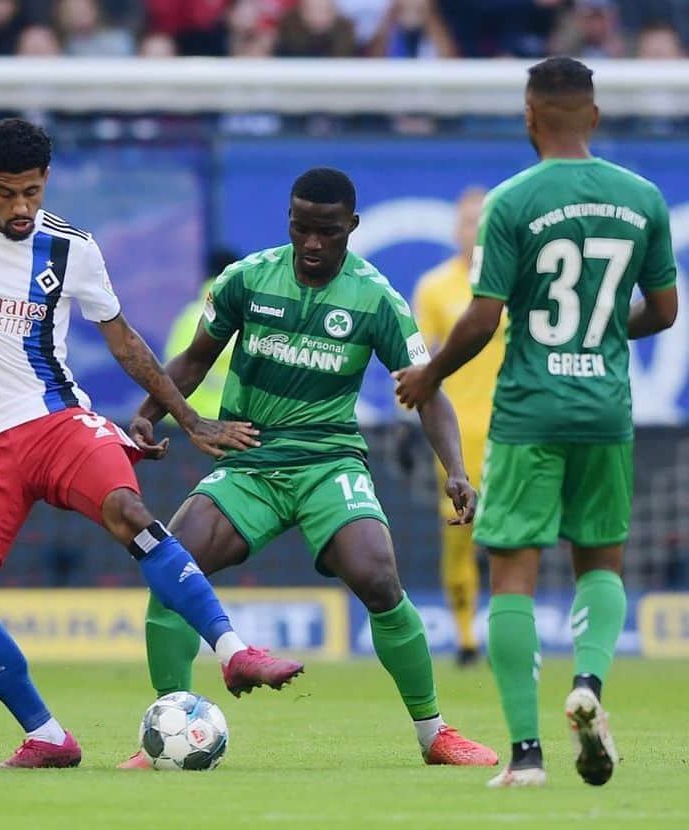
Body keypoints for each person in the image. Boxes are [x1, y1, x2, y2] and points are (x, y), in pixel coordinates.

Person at [0, 118, 303, 770]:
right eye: (8, 193)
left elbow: (124, 340)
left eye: (33, 192)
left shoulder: (72, 249)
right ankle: (47, 736)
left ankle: (234, 650)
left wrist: (185, 416)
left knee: (131, 513)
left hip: (58, 421)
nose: (21, 207)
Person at [118, 167, 499, 770]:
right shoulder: (247, 279)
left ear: (351, 227)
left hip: (328, 462)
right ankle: (172, 720)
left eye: (327, 231)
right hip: (253, 460)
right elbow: (194, 359)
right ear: (289, 223)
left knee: (378, 578)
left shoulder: (376, 298)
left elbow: (427, 391)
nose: (313, 244)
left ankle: (435, 735)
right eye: (301, 229)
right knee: (174, 569)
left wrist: (453, 468)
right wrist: (148, 415)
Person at [394, 57, 679, 788]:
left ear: (529, 117)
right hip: (607, 410)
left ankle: (525, 756)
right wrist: (605, 334)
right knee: (601, 561)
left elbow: (484, 317)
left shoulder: (512, 201)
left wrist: (431, 374)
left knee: (513, 579)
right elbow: (666, 311)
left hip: (528, 409)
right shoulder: (642, 197)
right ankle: (590, 684)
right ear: (595, 116)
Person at [409, 186, 503, 667]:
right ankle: (467, 638)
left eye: (482, 221)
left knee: (513, 534)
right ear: (455, 229)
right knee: (458, 534)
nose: (474, 230)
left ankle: (509, 629)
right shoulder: (434, 287)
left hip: (512, 428)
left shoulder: (514, 281)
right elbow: (415, 359)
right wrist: (408, 416)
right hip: (457, 433)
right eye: (467, 221)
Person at [162, 248, 239, 418]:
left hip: (182, 417)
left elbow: (173, 362)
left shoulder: (189, 315)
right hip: (224, 419)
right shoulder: (243, 315)